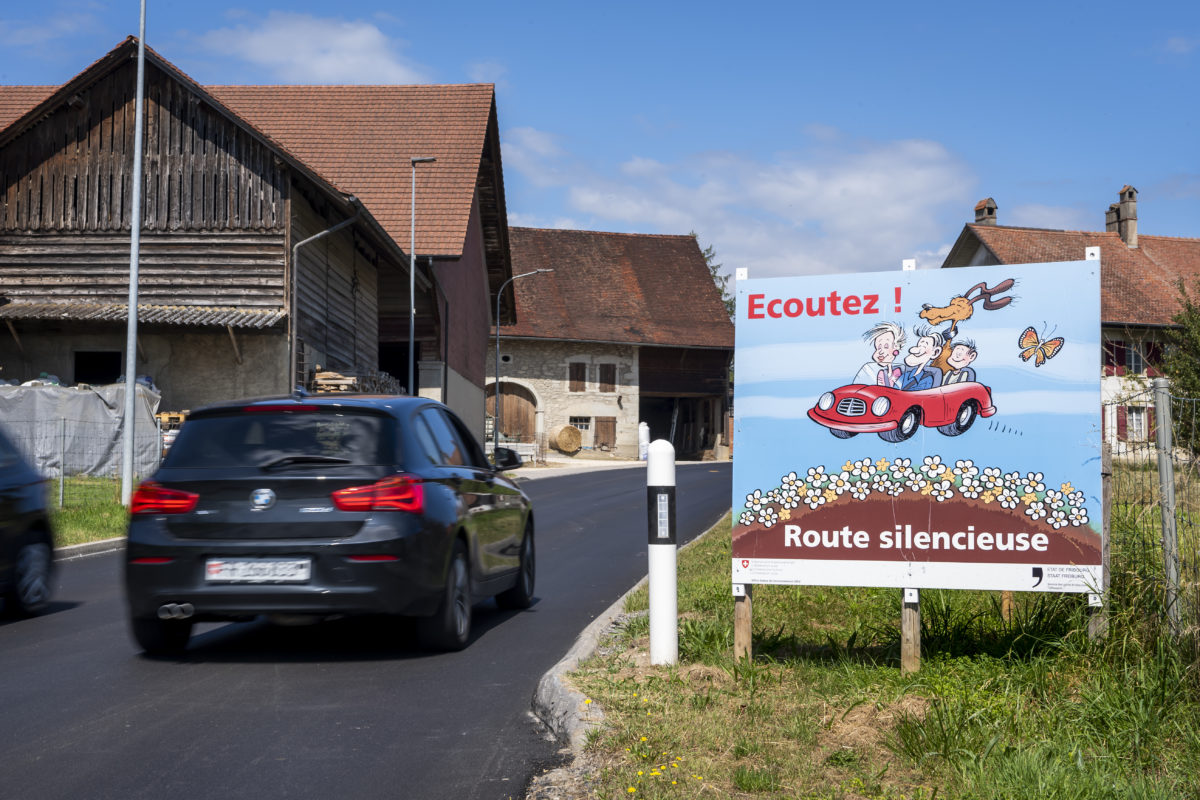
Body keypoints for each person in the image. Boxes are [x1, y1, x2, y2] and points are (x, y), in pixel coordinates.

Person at [852, 321, 906, 387]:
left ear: (896, 348)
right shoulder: (871, 370)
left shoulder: (903, 371)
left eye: (886, 347)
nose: (880, 352)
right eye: (878, 348)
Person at [896, 325, 944, 390]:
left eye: (926, 344)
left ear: (935, 352)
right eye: (921, 342)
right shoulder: (906, 374)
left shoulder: (927, 379)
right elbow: (895, 387)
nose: (921, 346)